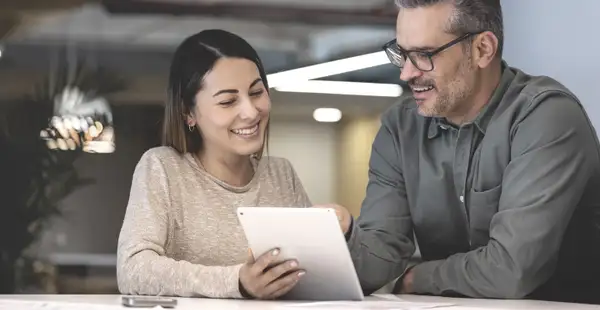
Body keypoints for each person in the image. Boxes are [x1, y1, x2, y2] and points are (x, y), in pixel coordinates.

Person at [317, 0, 600, 304]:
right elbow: (380, 256)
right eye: (402, 54)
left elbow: (510, 271)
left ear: (482, 50)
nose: (406, 73)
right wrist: (345, 236)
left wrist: (417, 278)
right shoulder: (400, 128)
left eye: (424, 55)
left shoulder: (546, 116)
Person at [117, 29, 310, 300]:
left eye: (256, 92)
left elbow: (311, 274)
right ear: (188, 113)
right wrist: (238, 282)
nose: (251, 112)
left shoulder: (281, 174)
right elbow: (132, 269)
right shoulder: (162, 168)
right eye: (228, 101)